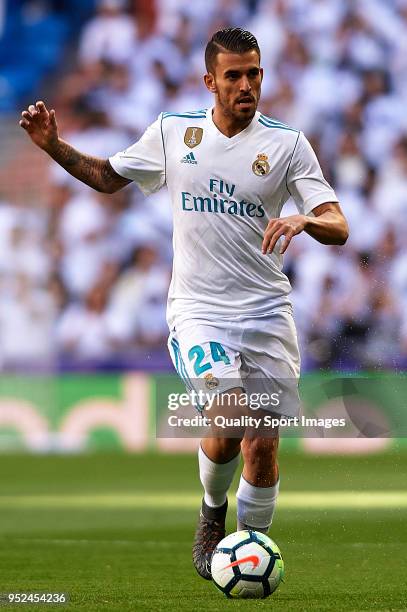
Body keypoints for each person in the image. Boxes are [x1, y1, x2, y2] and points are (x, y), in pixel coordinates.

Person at [19, 27, 348, 581]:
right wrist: (53, 145)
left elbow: (338, 226)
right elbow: (106, 178)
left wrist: (305, 217)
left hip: (267, 313)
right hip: (199, 311)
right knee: (227, 419)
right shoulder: (175, 133)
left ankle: (251, 547)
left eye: (255, 73)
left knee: (262, 447)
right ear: (210, 82)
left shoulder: (288, 145)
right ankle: (211, 517)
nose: (247, 85)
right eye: (234, 76)